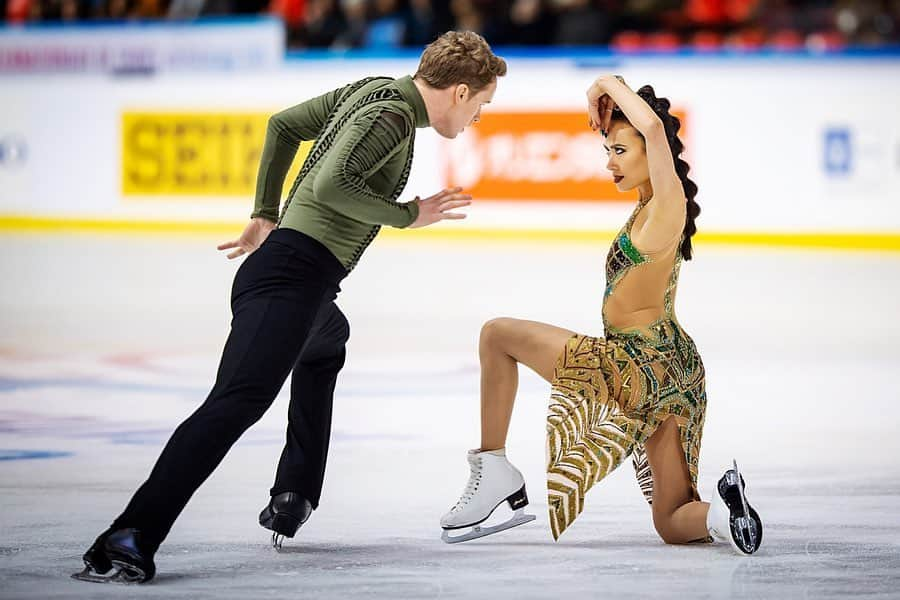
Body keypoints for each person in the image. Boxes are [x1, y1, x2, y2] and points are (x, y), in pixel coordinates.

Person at [74, 30, 507, 584]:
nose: (477, 120)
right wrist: (407, 214)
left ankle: (295, 491)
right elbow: (331, 186)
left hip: (301, 281)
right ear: (461, 91)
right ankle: (129, 534)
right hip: (289, 278)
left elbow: (282, 125)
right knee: (235, 403)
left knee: (328, 340)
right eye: (482, 107)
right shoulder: (393, 118)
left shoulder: (371, 91)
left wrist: (264, 210)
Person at [440, 76, 763, 554]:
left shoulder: (666, 206)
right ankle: (724, 515)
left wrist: (604, 84)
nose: (609, 162)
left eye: (620, 151)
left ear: (651, 153)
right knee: (673, 522)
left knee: (495, 336)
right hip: (676, 372)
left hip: (637, 364)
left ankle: (493, 472)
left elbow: (653, 129)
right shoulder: (650, 206)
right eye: (607, 150)